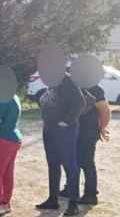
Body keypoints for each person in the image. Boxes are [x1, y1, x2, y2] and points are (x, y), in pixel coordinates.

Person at [36, 73, 84, 216]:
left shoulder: (67, 79)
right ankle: (53, 199)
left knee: (70, 165)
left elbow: (80, 102)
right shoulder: (52, 79)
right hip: (50, 128)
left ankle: (73, 204)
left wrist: (66, 121)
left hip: (64, 130)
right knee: (53, 164)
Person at [61, 85, 111, 205]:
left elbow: (104, 109)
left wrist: (102, 128)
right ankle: (70, 189)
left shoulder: (94, 88)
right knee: (71, 161)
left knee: (86, 162)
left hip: (87, 133)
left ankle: (91, 194)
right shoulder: (72, 84)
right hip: (72, 131)